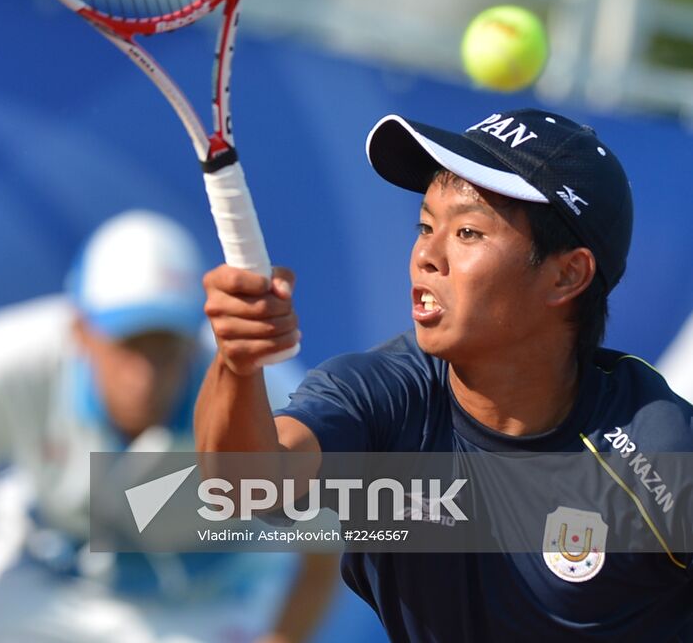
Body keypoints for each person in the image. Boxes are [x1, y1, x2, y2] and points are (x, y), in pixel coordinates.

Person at [195, 108, 693, 642]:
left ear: (567, 275)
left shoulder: (659, 451)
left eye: (468, 232)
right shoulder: (381, 394)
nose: (426, 256)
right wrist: (236, 362)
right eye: (426, 226)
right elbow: (243, 486)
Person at [0, 209, 338, 643]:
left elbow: (324, 553)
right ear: (81, 330)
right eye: (128, 343)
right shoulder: (7, 360)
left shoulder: (275, 403)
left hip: (208, 598)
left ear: (194, 340)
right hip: (43, 574)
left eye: (164, 346)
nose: (145, 375)